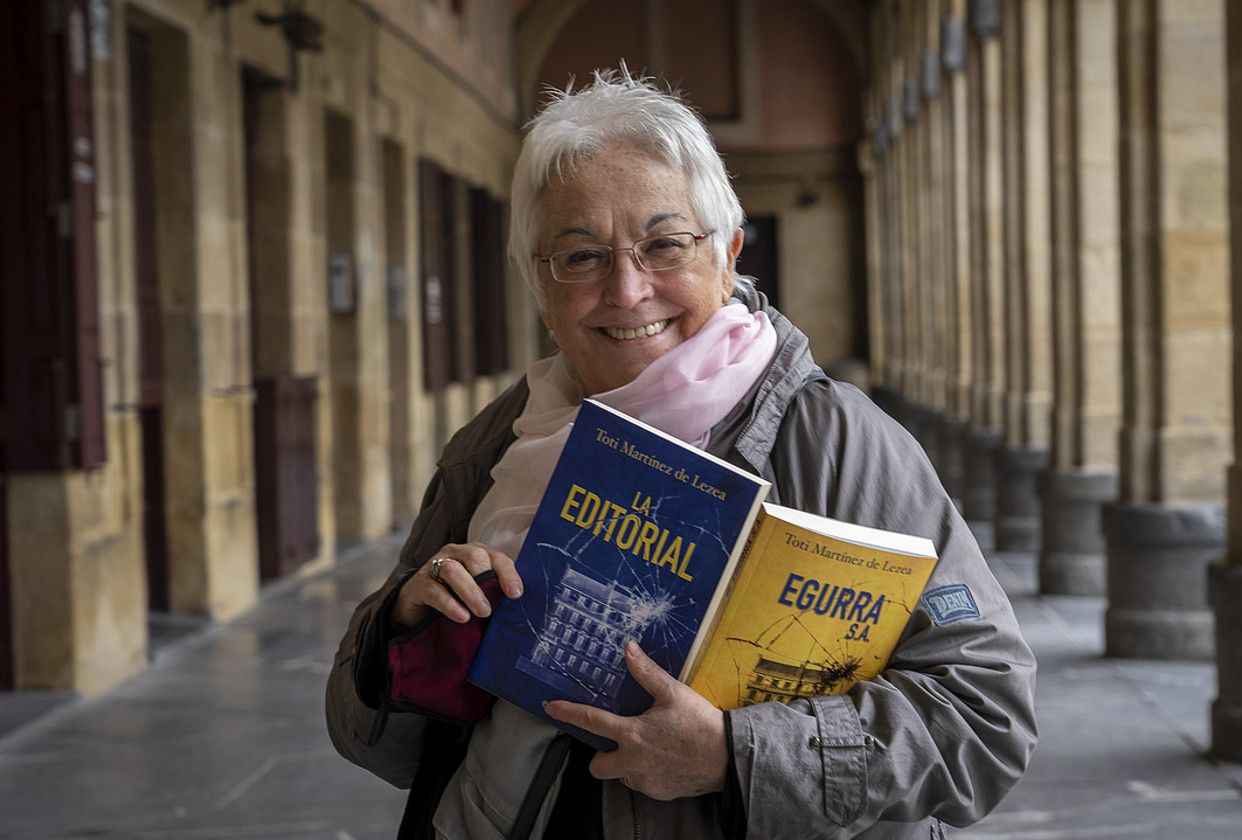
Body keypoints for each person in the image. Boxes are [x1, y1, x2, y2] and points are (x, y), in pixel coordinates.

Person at [326, 69, 1036, 840]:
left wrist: (738, 756)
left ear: (727, 255)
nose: (628, 290)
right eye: (581, 256)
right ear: (540, 283)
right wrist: (401, 627)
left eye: (664, 245)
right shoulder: (496, 444)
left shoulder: (837, 442)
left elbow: (984, 713)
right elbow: (381, 745)